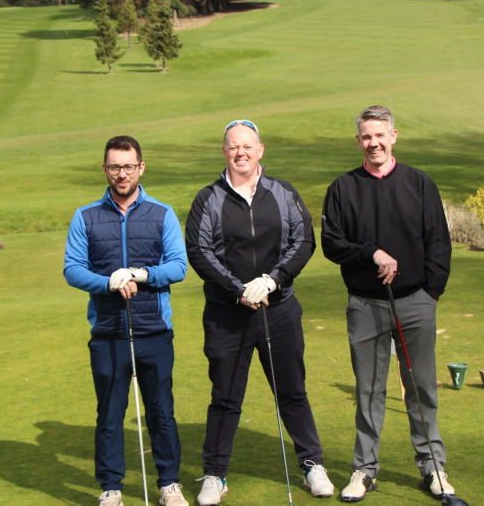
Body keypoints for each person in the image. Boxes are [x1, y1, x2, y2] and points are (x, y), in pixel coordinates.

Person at [185, 120, 334, 505]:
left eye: (248, 146)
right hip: (227, 315)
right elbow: (199, 252)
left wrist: (273, 280)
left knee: (292, 392)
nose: (241, 152)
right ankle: (215, 475)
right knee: (225, 397)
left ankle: (312, 464)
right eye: (233, 147)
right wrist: (238, 291)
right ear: (224, 152)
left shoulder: (283, 192)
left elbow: (304, 240)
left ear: (260, 150)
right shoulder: (208, 198)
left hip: (279, 311)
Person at [320, 106, 454, 501]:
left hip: (415, 302)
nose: (373, 142)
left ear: (394, 136)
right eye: (366, 136)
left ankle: (433, 467)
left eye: (380, 135)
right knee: (368, 391)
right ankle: (364, 470)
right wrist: (370, 253)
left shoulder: (419, 183)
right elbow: (332, 244)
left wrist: (431, 294)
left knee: (421, 387)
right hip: (365, 304)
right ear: (358, 140)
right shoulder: (343, 188)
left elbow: (438, 242)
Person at [64, 136, 189, 506]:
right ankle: (111, 488)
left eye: (129, 166)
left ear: (141, 168)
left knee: (161, 411)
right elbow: (72, 269)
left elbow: (178, 266)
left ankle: (169, 484)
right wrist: (107, 282)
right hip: (108, 333)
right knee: (110, 414)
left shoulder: (163, 213)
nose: (122, 173)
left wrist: (141, 275)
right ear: (105, 169)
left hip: (153, 330)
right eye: (115, 166)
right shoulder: (86, 215)